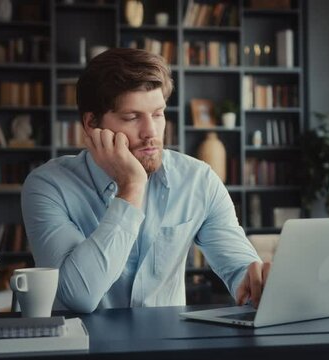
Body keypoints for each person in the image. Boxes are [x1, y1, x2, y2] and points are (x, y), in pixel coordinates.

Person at [21, 48, 270, 313]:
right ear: (92, 123)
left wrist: (255, 282)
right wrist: (132, 187)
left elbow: (239, 268)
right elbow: (78, 296)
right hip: (84, 348)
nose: (151, 132)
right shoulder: (48, 186)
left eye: (158, 114)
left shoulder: (198, 180)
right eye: (132, 117)